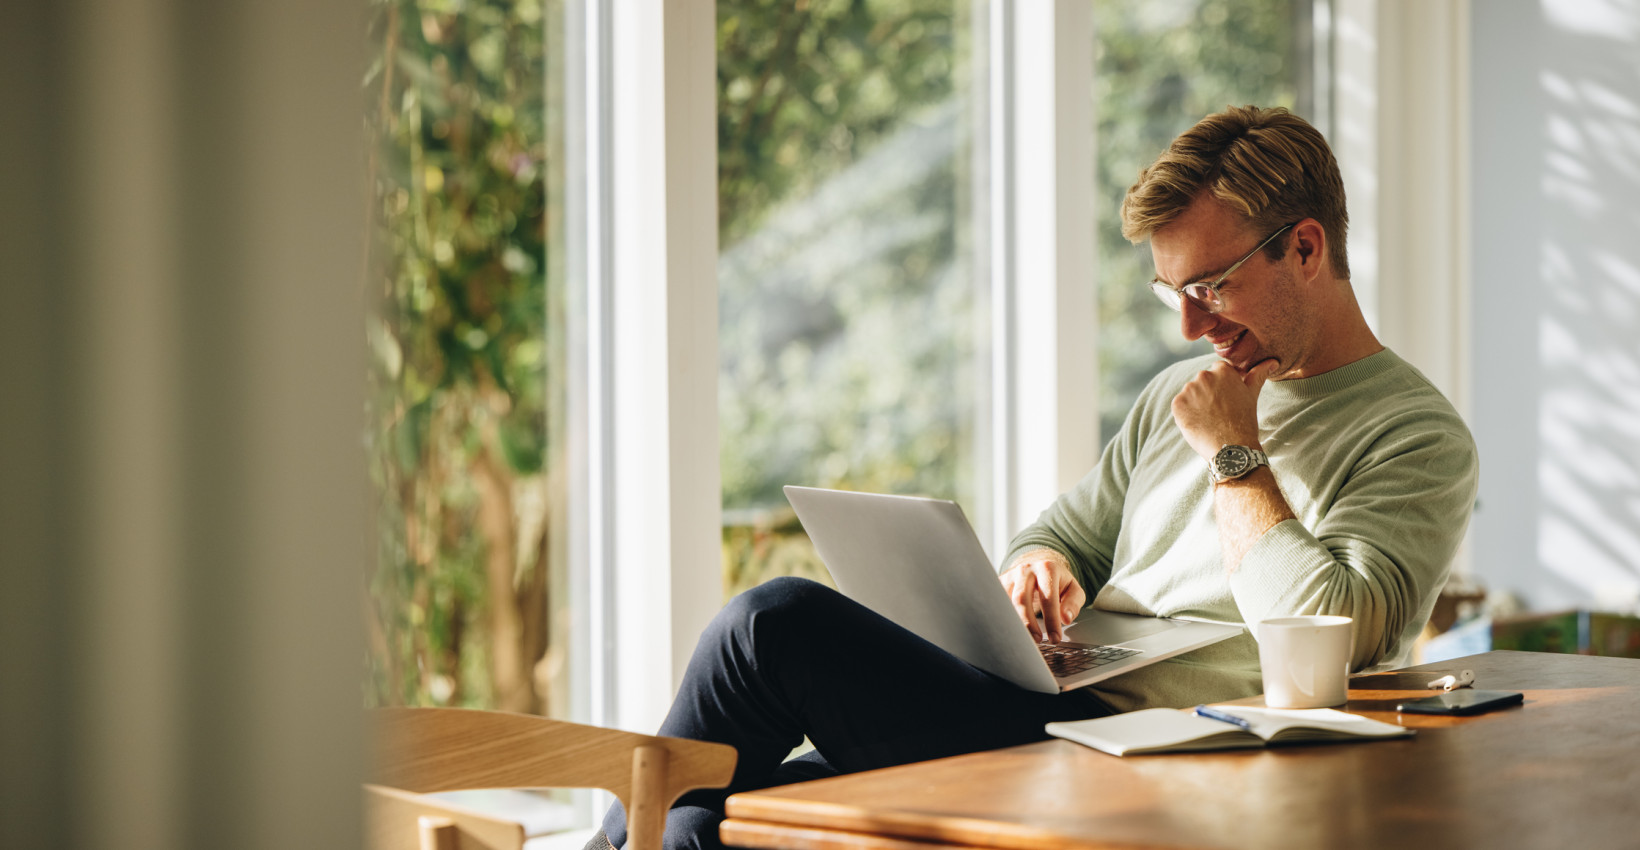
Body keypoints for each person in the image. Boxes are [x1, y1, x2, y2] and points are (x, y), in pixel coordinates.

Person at [587, 105, 1478, 850]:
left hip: (1158, 753)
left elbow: (1343, 634)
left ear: (1306, 248)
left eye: (1211, 286)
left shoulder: (1416, 435)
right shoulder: (1179, 393)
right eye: (1175, 295)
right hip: (1038, 704)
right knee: (703, 824)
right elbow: (1064, 534)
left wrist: (1234, 455)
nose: (1188, 329)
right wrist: (1037, 568)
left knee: (770, 623)